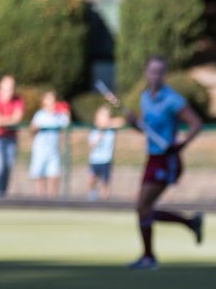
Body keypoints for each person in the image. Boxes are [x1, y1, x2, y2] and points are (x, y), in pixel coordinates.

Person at [119, 55, 205, 270]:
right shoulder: (145, 98)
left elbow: (196, 123)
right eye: (151, 71)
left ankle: (150, 256)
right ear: (146, 73)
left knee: (142, 206)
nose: (155, 76)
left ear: (164, 75)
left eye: (159, 72)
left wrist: (181, 145)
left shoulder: (173, 100)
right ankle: (188, 224)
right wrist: (133, 124)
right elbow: (146, 130)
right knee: (143, 208)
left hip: (167, 160)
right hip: (152, 157)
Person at [0, 74, 25, 197]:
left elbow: (17, 119)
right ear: (0, 87)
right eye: (7, 88)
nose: (9, 92)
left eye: (12, 88)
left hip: (11, 138)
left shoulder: (18, 100)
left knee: (7, 169)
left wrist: (0, 121)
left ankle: (2, 198)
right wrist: (9, 119)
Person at [28, 91, 70, 198]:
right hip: (40, 151)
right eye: (49, 99)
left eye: (53, 100)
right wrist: (35, 128)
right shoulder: (39, 115)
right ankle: (41, 202)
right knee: (40, 177)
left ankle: (53, 202)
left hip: (53, 151)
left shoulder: (59, 116)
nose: (52, 102)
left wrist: (66, 112)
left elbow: (67, 123)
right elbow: (31, 131)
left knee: (54, 176)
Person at [86, 104, 124, 200]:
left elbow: (121, 121)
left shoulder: (111, 130)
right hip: (94, 161)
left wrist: (108, 123)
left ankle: (105, 200)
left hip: (106, 160)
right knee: (92, 179)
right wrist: (98, 137)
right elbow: (90, 145)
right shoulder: (94, 131)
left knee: (105, 182)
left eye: (106, 117)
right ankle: (92, 193)